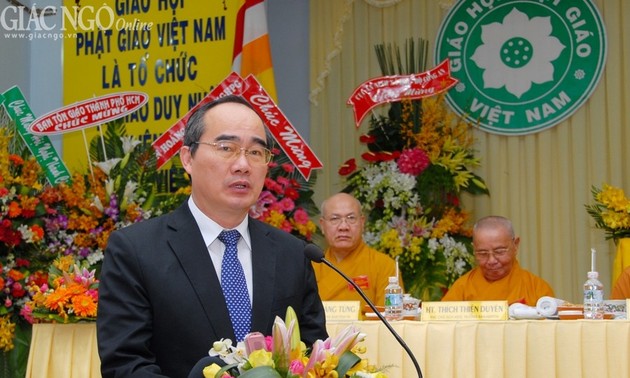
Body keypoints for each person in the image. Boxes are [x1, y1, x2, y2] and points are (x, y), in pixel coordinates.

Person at [97, 95, 328, 378]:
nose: (242, 164)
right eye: (226, 148)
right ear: (188, 159)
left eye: (256, 152)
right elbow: (125, 365)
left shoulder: (293, 254)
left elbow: (313, 357)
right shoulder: (135, 250)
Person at [312, 192, 402, 312]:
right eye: (335, 219)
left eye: (351, 218)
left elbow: (390, 319)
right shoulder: (311, 267)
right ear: (322, 225)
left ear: (362, 222)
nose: (343, 226)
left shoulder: (384, 266)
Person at [441, 215, 554, 306]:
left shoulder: (537, 289)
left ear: (515, 245)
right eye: (482, 253)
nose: (491, 261)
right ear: (474, 249)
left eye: (499, 251)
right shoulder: (462, 288)